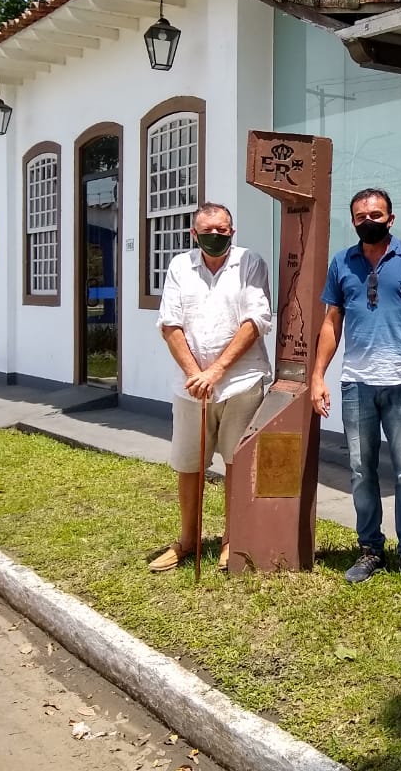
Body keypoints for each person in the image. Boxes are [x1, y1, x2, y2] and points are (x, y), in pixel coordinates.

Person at [310, 188, 401, 587]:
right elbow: (332, 323)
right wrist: (318, 375)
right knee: (360, 471)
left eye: (376, 213)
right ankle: (370, 548)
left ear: (391, 217)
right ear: (353, 221)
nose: (369, 220)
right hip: (357, 385)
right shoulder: (342, 262)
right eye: (361, 215)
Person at [150, 202, 273, 573]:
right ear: (194, 233)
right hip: (192, 388)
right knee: (190, 465)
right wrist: (195, 374)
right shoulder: (179, 266)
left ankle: (232, 540)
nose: (215, 236)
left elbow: (257, 319)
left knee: (237, 463)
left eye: (222, 230)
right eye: (208, 231)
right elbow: (169, 324)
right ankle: (188, 541)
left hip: (241, 383)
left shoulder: (250, 262)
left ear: (232, 232)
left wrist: (216, 371)